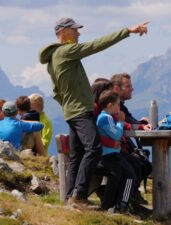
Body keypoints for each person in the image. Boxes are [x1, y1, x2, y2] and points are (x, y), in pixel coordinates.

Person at [38, 17, 150, 207]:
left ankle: (69, 197)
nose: (79, 33)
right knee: (94, 148)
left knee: (77, 155)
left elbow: (56, 91)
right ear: (63, 32)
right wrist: (127, 31)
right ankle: (79, 196)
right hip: (81, 111)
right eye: (75, 30)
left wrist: (67, 105)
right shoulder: (66, 51)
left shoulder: (53, 59)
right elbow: (96, 45)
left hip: (72, 111)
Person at [111, 73, 152, 204]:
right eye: (128, 86)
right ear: (117, 88)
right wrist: (141, 124)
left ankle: (132, 195)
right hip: (113, 149)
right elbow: (127, 123)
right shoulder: (114, 107)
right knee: (139, 163)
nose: (132, 89)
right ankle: (127, 199)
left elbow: (130, 121)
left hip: (119, 146)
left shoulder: (120, 105)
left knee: (143, 163)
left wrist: (141, 123)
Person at [96, 90, 137, 213]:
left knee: (123, 174)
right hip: (109, 156)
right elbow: (116, 135)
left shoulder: (108, 118)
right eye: (118, 104)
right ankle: (121, 205)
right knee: (130, 176)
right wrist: (120, 121)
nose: (120, 107)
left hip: (113, 155)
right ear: (110, 105)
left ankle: (111, 205)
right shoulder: (105, 118)